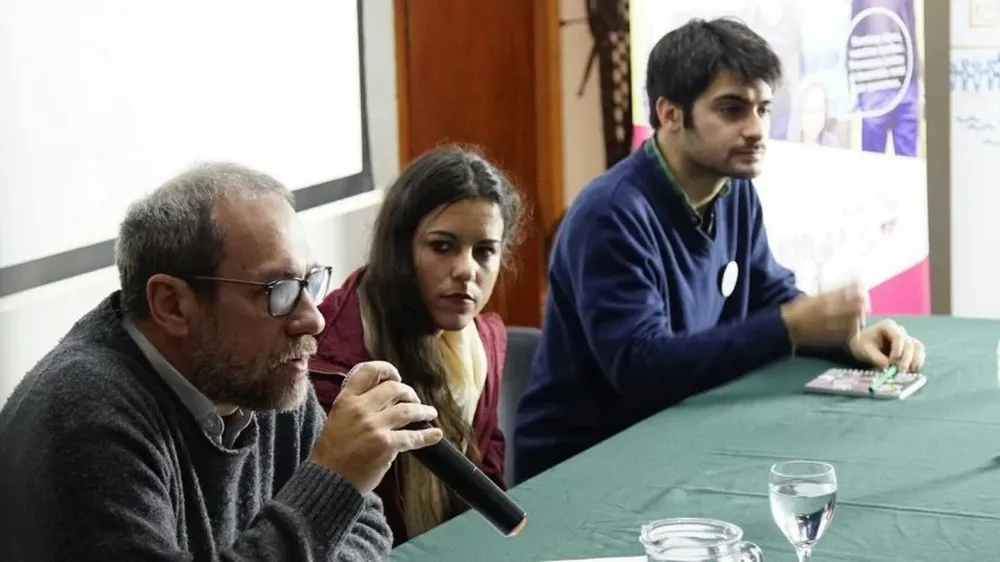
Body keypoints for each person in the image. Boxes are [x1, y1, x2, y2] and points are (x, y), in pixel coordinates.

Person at [514, 18, 927, 483]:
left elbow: (771, 292)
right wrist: (790, 327)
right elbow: (641, 370)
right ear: (670, 114)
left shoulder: (733, 189)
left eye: (764, 109)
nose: (756, 130)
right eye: (732, 110)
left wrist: (846, 337)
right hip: (578, 470)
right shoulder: (610, 215)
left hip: (672, 444)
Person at [0, 163, 444, 560]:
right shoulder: (83, 417)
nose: (312, 319)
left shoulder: (255, 370)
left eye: (310, 281)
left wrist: (338, 492)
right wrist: (333, 480)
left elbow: (363, 524)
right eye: (278, 289)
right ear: (171, 304)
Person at [309, 145, 524, 544]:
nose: (466, 270)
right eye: (442, 246)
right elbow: (335, 523)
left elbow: (487, 472)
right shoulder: (332, 367)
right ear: (400, 248)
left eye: (484, 251)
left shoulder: (485, 340)